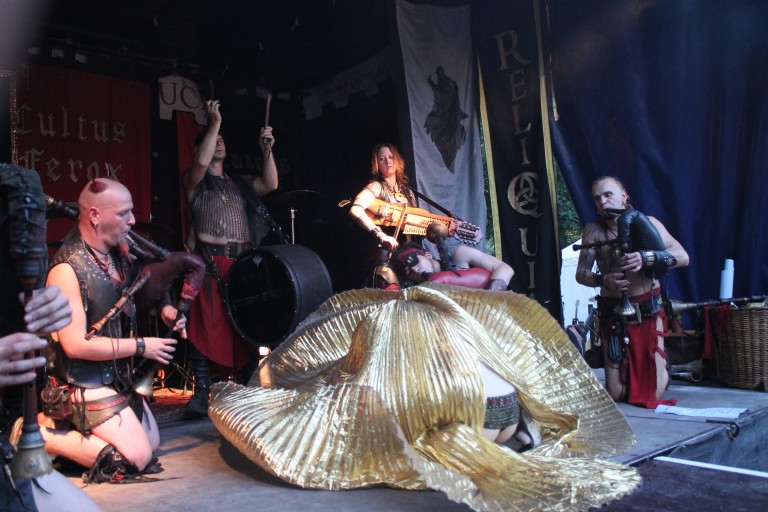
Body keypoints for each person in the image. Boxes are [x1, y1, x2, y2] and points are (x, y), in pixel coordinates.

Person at [208, 286, 641, 511]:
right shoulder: (450, 314)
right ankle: (517, 439)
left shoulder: (388, 327)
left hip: (466, 422)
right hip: (506, 414)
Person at [38, 178, 181, 483]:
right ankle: (40, 436)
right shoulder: (66, 270)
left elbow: (147, 288)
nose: (132, 221)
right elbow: (75, 345)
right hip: (79, 382)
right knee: (133, 458)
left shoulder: (117, 256)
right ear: (94, 215)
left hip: (116, 377)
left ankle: (75, 444)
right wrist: (142, 346)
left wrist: (166, 309)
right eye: (123, 213)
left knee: (151, 444)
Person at [181, 99, 278, 417]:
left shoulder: (239, 184)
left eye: (222, 140)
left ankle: (249, 383)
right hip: (211, 263)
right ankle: (202, 390)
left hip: (241, 264)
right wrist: (215, 123)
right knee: (205, 325)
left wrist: (266, 150)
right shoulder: (194, 182)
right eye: (214, 140)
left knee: (244, 325)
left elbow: (271, 183)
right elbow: (200, 164)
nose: (220, 143)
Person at [575, 176, 689, 408]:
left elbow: (683, 257)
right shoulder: (594, 230)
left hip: (647, 311)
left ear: (624, 195)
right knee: (616, 393)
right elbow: (581, 274)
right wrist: (603, 280)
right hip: (612, 315)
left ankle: (662, 368)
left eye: (608, 195)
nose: (603, 202)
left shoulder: (649, 223)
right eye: (597, 198)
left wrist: (647, 257)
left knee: (654, 393)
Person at [348, 143, 418, 289]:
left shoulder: (408, 192)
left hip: (409, 256)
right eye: (382, 159)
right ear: (377, 164)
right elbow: (355, 209)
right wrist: (381, 235)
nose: (387, 161)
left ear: (397, 160)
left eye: (391, 157)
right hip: (387, 257)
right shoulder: (376, 186)